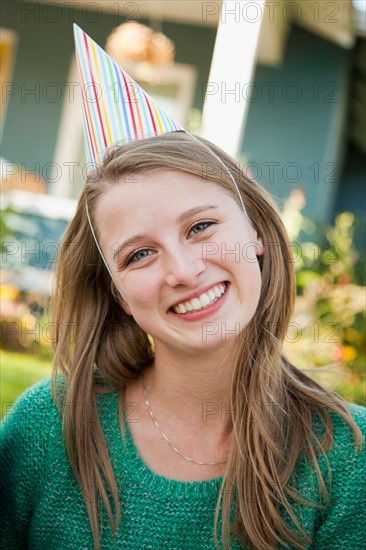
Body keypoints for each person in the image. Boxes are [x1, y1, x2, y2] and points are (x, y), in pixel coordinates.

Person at [1, 26, 365, 550]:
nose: (183, 270)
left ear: (257, 232)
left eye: (200, 227)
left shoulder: (349, 461)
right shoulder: (48, 429)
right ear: (119, 295)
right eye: (140, 254)